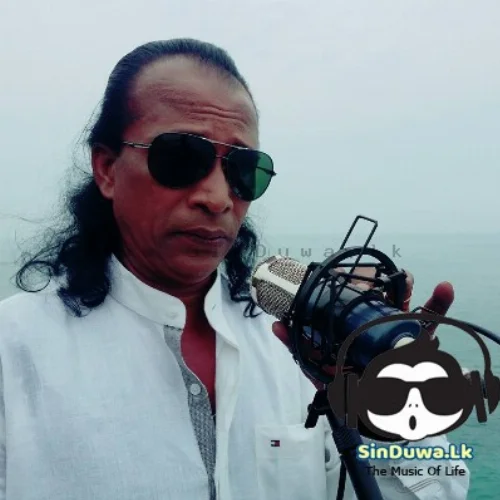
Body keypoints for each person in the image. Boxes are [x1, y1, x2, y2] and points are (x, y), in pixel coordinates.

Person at [0, 38, 469, 499]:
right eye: (182, 158)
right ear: (106, 168)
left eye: (244, 170)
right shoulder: (14, 352)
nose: (218, 197)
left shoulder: (304, 344)